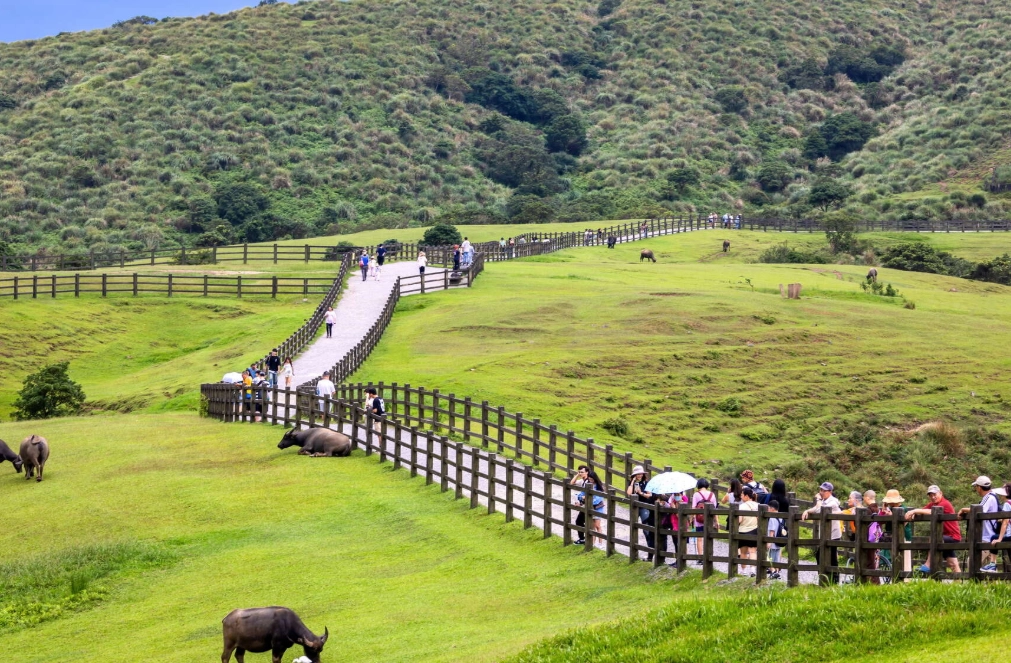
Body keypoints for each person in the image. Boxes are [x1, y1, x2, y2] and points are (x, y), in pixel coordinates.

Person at [905, 485, 962, 575]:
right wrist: (912, 514)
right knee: (953, 564)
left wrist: (914, 511)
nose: (933, 497)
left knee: (934, 538)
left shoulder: (945, 503)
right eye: (930, 495)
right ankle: (960, 583)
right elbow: (923, 510)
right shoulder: (933, 504)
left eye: (934, 494)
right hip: (943, 537)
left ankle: (928, 565)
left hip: (952, 537)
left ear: (940, 493)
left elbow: (932, 511)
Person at [802, 481, 842, 583]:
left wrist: (818, 500)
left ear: (829, 492)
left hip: (833, 533)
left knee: (832, 557)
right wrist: (807, 511)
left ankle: (834, 580)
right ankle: (825, 578)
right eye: (820, 490)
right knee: (821, 555)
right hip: (825, 534)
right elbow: (816, 509)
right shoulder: (824, 501)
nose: (821, 492)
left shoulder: (833, 502)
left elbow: (820, 510)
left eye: (823, 491)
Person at [958, 476, 1000, 571]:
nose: (976, 489)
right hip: (991, 536)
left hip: (987, 537)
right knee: (989, 568)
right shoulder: (993, 496)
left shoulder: (988, 497)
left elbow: (979, 510)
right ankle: (992, 585)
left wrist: (963, 509)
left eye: (976, 487)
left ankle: (974, 582)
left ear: (979, 487)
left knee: (972, 562)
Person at [626, 466, 660, 560]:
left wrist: (641, 493)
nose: (640, 475)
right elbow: (629, 493)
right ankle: (635, 552)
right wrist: (632, 482)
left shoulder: (646, 483)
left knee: (646, 530)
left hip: (644, 506)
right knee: (633, 526)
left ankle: (650, 553)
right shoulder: (632, 483)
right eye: (638, 474)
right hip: (634, 507)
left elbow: (650, 495)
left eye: (641, 474)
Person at [691, 478, 718, 559]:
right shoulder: (712, 494)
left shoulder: (696, 494)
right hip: (709, 520)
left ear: (698, 485)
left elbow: (693, 508)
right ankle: (708, 556)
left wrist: (692, 518)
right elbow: (715, 508)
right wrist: (717, 521)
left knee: (699, 539)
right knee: (708, 538)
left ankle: (700, 557)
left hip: (699, 521)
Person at [737, 486, 759, 576]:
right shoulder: (758, 505)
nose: (741, 497)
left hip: (743, 531)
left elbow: (739, 520)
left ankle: (744, 570)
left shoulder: (741, 506)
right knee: (753, 551)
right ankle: (753, 570)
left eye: (742, 495)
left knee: (743, 552)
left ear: (746, 496)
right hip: (754, 531)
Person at [766, 499, 784, 580]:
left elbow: (772, 531)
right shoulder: (781, 517)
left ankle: (773, 572)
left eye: (769, 508)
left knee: (770, 557)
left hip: (773, 541)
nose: (768, 510)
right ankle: (777, 572)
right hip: (778, 540)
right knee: (776, 558)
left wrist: (769, 542)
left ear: (772, 508)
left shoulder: (772, 518)